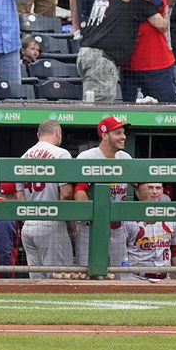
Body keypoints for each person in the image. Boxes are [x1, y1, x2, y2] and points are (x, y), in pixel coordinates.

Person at [78, 0, 166, 102]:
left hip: (85, 54)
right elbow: (161, 24)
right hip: (102, 59)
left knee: (92, 102)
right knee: (98, 108)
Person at [13, 120, 74, 280]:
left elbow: (20, 198)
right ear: (57, 133)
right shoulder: (61, 154)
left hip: (29, 226)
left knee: (37, 281)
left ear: (38, 135)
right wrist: (70, 224)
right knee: (60, 280)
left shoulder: (23, 157)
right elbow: (66, 194)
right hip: (52, 223)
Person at [73, 117, 134, 273]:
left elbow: (140, 186)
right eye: (118, 133)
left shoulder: (125, 158)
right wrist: (89, 218)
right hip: (91, 228)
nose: (123, 137)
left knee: (119, 273)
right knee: (87, 271)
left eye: (124, 133)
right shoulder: (88, 157)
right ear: (105, 135)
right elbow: (79, 191)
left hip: (118, 227)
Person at [122, 182, 176, 282]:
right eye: (150, 188)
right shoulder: (128, 219)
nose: (154, 192)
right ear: (138, 192)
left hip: (164, 278)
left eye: (158, 188)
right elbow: (119, 252)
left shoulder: (171, 219)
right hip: (135, 278)